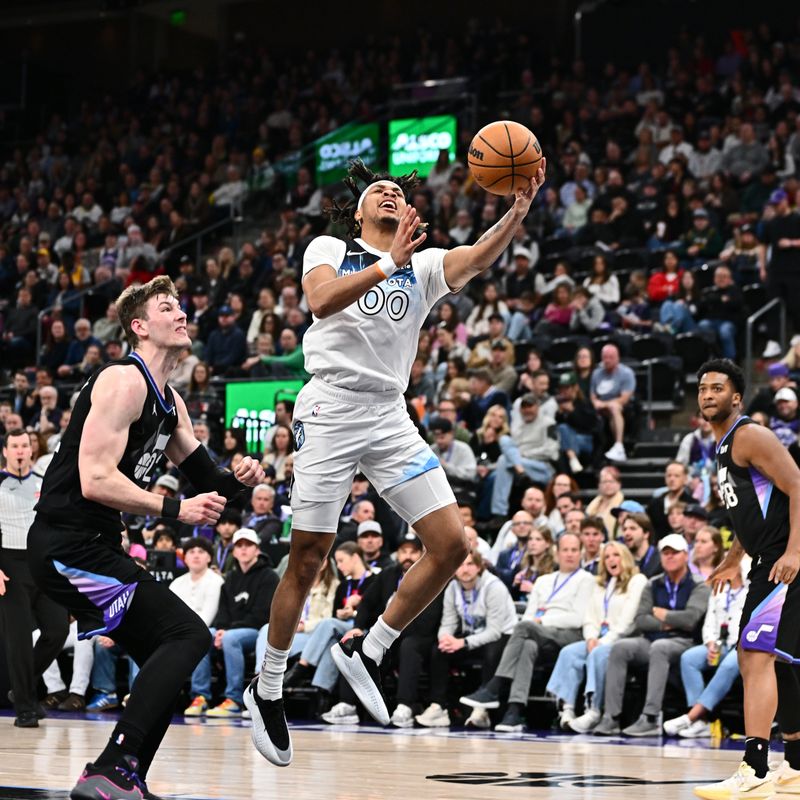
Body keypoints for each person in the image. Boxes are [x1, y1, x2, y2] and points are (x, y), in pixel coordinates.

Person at [247, 157, 547, 765]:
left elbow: (477, 257)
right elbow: (322, 301)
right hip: (329, 406)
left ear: (409, 212)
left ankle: (369, 649)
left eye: (395, 191)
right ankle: (268, 685)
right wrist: (390, 263)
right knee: (308, 557)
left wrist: (515, 213)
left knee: (452, 544)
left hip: (388, 414)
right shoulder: (328, 247)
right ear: (359, 213)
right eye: (376, 191)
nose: (387, 192)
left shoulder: (426, 265)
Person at [26, 276, 265, 799]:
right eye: (167, 307)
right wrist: (176, 508)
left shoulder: (170, 402)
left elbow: (214, 488)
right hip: (66, 542)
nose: (181, 313)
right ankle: (111, 767)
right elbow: (95, 480)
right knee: (189, 635)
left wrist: (239, 482)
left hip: (96, 544)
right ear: (139, 326)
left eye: (180, 305)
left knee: (171, 645)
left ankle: (122, 774)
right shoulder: (121, 381)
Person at [694, 359, 800, 798]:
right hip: (764, 558)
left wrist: (796, 551)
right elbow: (746, 513)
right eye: (702, 389)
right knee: (780, 661)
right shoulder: (720, 448)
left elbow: (798, 484)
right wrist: (733, 559)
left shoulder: (749, 435)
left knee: (754, 654)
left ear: (735, 397)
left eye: (717, 388)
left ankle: (754, 768)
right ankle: (795, 764)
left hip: (784, 557)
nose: (707, 395)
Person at [459, 532, 595, 732]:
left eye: (574, 550)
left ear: (581, 553)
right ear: (557, 553)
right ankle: (514, 712)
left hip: (570, 635)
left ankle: (494, 686)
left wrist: (542, 621)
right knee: (527, 645)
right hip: (539, 636)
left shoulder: (587, 579)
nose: (570, 554)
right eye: (565, 550)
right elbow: (530, 614)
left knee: (524, 627)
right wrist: (537, 623)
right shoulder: (544, 581)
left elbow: (577, 618)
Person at [593, 533, 710, 737]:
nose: (670, 557)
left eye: (675, 553)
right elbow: (641, 620)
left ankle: (651, 717)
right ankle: (611, 716)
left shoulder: (698, 584)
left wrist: (663, 614)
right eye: (665, 553)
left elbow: (690, 619)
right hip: (651, 638)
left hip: (684, 641)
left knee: (660, 648)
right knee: (621, 647)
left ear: (685, 555)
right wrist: (669, 622)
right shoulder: (652, 583)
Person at [0, 428, 69, 727]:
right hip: (8, 564)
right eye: (14, 446)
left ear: (32, 450)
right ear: (5, 451)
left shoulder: (44, 483)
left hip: (42, 563)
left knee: (57, 631)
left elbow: (56, 523)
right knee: (18, 640)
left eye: (24, 446)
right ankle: (26, 709)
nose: (19, 450)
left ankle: (23, 689)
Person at [548, 541, 648, 733]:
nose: (611, 560)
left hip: (623, 640)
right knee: (569, 652)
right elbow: (590, 617)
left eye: (616, 555)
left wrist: (602, 641)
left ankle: (593, 710)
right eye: (607, 557)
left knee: (598, 653)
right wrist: (591, 637)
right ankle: (566, 709)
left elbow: (628, 620)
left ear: (625, 558)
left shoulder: (637, 580)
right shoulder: (600, 584)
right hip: (598, 639)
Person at [416, 550, 517, 729]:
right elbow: (448, 623)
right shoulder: (452, 589)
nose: (465, 569)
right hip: (473, 634)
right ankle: (439, 707)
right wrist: (445, 639)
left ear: (479, 567)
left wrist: (462, 643)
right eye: (460, 565)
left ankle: (482, 710)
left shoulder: (494, 587)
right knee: (439, 649)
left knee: (492, 650)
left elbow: (494, 632)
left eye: (470, 564)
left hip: (503, 636)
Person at [186, 529, 278, 718]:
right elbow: (223, 613)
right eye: (239, 546)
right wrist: (220, 630)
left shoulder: (269, 576)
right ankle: (200, 696)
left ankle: (234, 700)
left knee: (230, 639)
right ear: (234, 551)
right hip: (230, 631)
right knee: (201, 635)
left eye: (248, 545)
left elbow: (262, 615)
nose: (243, 550)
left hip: (257, 632)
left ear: (257, 550)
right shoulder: (230, 579)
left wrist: (226, 632)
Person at [664, 565, 748, 739]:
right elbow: (710, 621)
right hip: (720, 643)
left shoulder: (751, 589)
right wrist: (710, 643)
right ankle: (701, 722)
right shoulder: (718, 589)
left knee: (728, 665)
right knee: (689, 658)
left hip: (745, 645)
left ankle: (691, 716)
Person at [590, 344, 636, 462]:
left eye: (610, 357)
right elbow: (593, 396)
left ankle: (619, 446)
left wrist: (605, 404)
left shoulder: (626, 373)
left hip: (621, 408)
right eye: (605, 357)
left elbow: (624, 399)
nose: (607, 360)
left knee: (614, 407)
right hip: (599, 409)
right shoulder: (596, 373)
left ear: (618, 358)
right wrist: (597, 403)